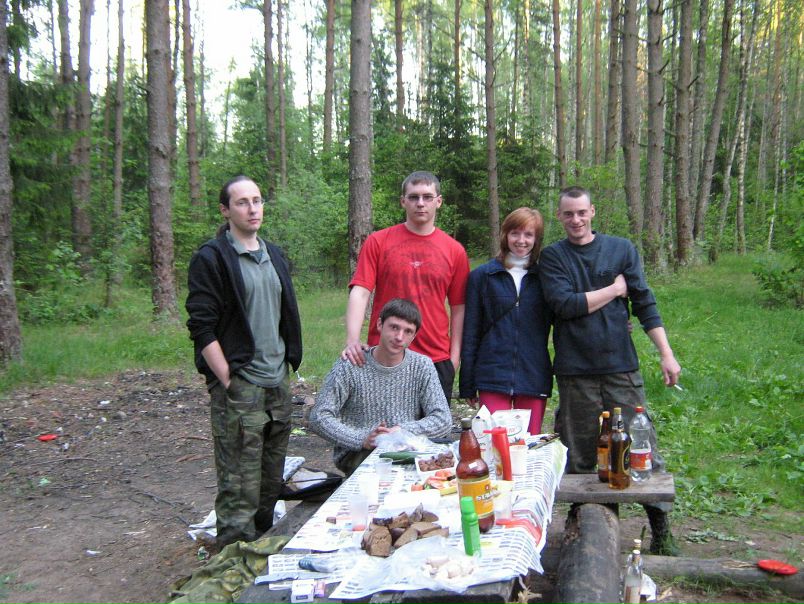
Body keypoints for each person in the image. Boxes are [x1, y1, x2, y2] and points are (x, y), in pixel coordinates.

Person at [539, 185, 682, 556]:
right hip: (575, 371)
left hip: (620, 366)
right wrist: (614, 290)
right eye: (568, 214)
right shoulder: (553, 257)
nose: (576, 220)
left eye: (581, 212)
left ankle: (660, 527)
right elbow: (565, 305)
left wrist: (666, 353)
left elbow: (644, 302)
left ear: (592, 212)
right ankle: (584, 526)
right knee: (580, 453)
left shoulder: (621, 250)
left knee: (640, 445)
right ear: (560, 216)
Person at [185, 175, 303, 547]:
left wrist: (286, 366)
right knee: (239, 487)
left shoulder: (274, 254)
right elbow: (201, 326)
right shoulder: (212, 258)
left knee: (269, 483)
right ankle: (231, 561)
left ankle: (260, 553)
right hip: (241, 384)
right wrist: (227, 378)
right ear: (225, 210)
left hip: (277, 383)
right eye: (242, 202)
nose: (252, 209)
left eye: (257, 200)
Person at [342, 171, 470, 403]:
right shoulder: (378, 242)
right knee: (380, 424)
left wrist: (454, 357)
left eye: (427, 197)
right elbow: (360, 292)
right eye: (413, 197)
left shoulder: (455, 251)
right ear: (403, 201)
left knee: (431, 426)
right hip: (384, 355)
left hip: (435, 358)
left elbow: (459, 307)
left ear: (438, 201)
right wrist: (352, 340)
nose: (420, 203)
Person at [310, 298, 452, 476]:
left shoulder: (422, 366)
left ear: (414, 336)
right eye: (394, 327)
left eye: (408, 331)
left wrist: (402, 431)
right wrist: (363, 439)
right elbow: (319, 416)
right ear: (379, 325)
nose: (399, 337)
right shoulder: (351, 365)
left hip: (407, 450)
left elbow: (443, 420)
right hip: (360, 453)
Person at [459, 207, 553, 435]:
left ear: (536, 239)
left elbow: (566, 318)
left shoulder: (546, 278)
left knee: (527, 444)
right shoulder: (482, 276)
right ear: (505, 235)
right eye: (515, 233)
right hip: (492, 375)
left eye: (528, 234)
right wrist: (467, 383)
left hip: (533, 375)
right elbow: (471, 331)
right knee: (494, 444)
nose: (521, 240)